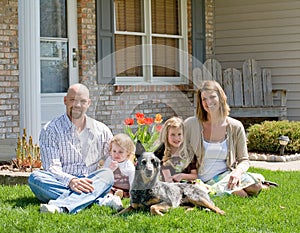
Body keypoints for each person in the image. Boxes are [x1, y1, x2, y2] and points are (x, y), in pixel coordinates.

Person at [28, 83, 122, 214]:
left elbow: (115, 160)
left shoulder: (101, 130)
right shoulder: (50, 130)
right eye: (73, 100)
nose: (77, 105)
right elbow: (52, 167)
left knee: (107, 174)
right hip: (62, 181)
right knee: (35, 178)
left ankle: (60, 207)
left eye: (82, 101)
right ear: (65, 100)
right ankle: (99, 200)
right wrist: (71, 180)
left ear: (88, 103)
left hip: (90, 180)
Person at [184, 80, 268, 197]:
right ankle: (215, 190)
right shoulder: (190, 124)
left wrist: (237, 172)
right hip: (200, 180)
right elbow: (173, 146)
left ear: (221, 97)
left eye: (212, 97)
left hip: (225, 175)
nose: (208, 102)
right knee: (241, 194)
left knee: (255, 186)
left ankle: (229, 188)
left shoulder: (235, 126)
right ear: (200, 102)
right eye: (204, 99)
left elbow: (244, 160)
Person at [154, 116, 197, 183]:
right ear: (166, 136)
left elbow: (194, 175)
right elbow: (168, 180)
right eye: (172, 135)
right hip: (170, 189)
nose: (177, 138)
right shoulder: (162, 153)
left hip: (188, 188)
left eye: (179, 134)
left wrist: (182, 176)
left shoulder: (189, 152)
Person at [103, 133, 136, 198]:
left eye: (120, 152)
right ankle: (110, 196)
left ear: (128, 153)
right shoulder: (109, 160)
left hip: (125, 189)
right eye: (114, 151)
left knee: (125, 193)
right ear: (110, 151)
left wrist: (132, 192)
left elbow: (132, 181)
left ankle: (120, 194)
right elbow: (104, 175)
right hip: (112, 187)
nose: (116, 154)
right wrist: (110, 169)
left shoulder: (129, 165)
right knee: (108, 190)